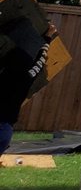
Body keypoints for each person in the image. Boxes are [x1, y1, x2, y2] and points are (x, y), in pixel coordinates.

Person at [0, 19, 55, 157]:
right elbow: (40, 61)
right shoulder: (27, 77)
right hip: (4, 131)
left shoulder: (3, 76)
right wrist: (48, 38)